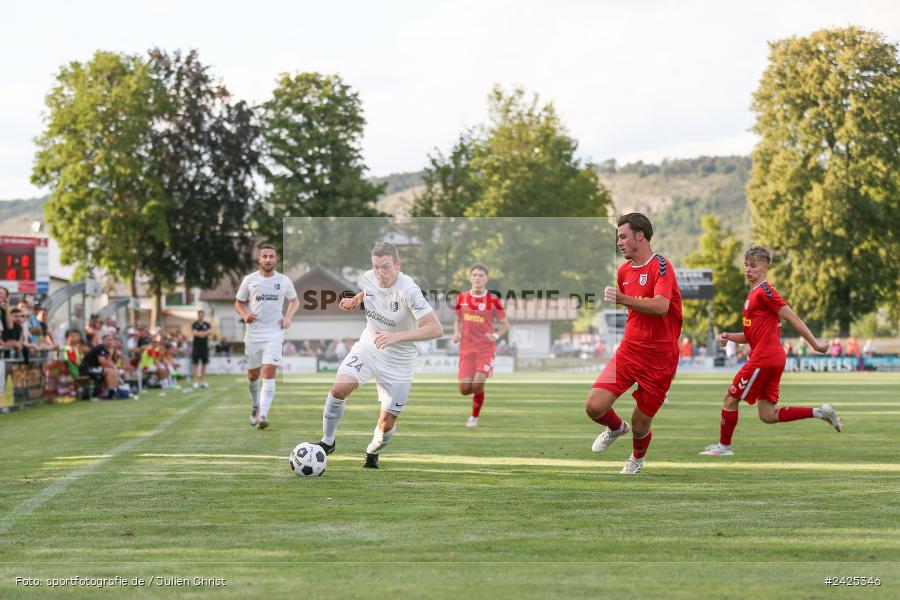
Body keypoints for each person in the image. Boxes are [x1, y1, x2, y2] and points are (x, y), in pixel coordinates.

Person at [699, 246, 841, 457]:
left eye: (753, 265)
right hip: (771, 357)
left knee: (730, 399)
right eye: (746, 265)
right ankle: (820, 412)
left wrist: (816, 345)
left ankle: (724, 447)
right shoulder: (754, 294)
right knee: (767, 415)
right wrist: (729, 336)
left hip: (764, 358)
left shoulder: (765, 292)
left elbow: (792, 317)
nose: (748, 269)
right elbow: (750, 336)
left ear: (765, 267)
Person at [317, 241, 444, 468]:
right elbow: (369, 289)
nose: (379, 273)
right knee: (338, 390)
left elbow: (436, 329)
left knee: (385, 424)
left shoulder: (410, 291)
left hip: (399, 361)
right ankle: (327, 442)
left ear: (397, 264)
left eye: (385, 267)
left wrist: (395, 337)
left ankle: (372, 451)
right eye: (375, 266)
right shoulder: (369, 277)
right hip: (369, 346)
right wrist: (355, 300)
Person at [585, 213, 683, 475]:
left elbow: (661, 306)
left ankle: (637, 459)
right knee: (594, 406)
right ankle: (616, 428)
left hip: (660, 359)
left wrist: (623, 299)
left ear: (640, 236)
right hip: (629, 351)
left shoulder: (661, 265)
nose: (619, 242)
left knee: (641, 424)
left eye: (623, 236)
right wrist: (625, 299)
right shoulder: (624, 271)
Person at [234, 244, 299, 429]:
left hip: (274, 333)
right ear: (259, 259)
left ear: (276, 259)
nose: (268, 259)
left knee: (269, 371)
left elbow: (294, 301)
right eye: (265, 256)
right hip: (253, 334)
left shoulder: (284, 280)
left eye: (271, 256)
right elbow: (238, 303)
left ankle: (263, 414)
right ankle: (255, 405)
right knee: (253, 374)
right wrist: (245, 315)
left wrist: (287, 318)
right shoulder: (249, 280)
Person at [452, 263, 510, 428]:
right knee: (464, 389)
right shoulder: (461, 298)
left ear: (486, 278)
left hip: (485, 348)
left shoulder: (493, 300)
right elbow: (458, 320)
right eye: (475, 275)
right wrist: (456, 333)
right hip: (466, 348)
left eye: (481, 275)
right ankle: (479, 388)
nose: (477, 278)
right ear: (470, 277)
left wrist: (496, 335)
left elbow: (505, 324)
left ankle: (474, 418)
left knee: (477, 384)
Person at [80, 333, 120, 399]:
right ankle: (110, 394)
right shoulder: (100, 348)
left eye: (112, 340)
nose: (110, 342)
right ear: (103, 341)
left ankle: (115, 391)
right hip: (87, 368)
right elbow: (104, 364)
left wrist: (114, 359)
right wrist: (111, 354)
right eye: (108, 340)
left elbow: (111, 364)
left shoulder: (109, 350)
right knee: (108, 371)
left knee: (115, 370)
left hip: (96, 368)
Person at [191, 310, 211, 388]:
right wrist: (203, 333)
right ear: (198, 316)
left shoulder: (207, 324)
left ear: (203, 316)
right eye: (199, 315)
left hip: (204, 347)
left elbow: (209, 332)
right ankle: (195, 382)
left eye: (202, 315)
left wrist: (200, 333)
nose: (201, 316)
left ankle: (203, 381)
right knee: (195, 364)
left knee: (204, 364)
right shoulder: (194, 324)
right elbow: (194, 333)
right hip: (196, 347)